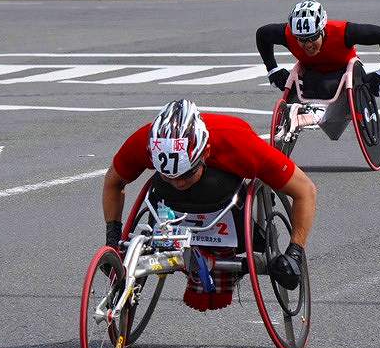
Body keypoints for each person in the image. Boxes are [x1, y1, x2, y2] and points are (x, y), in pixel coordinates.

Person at [103, 100, 317, 310]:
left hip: (226, 199)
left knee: (209, 184)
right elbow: (113, 181)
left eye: (186, 175)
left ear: (205, 153)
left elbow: (305, 191)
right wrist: (113, 240)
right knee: (165, 189)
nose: (178, 183)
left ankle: (227, 246)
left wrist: (295, 252)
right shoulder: (145, 141)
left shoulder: (239, 142)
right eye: (169, 177)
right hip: (169, 207)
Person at [256, 0, 380, 126]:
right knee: (308, 84)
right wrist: (273, 70)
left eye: (312, 37)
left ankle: (318, 111)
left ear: (322, 29)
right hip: (312, 74)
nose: (308, 45)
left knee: (326, 85)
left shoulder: (343, 31)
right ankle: (309, 114)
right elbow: (261, 34)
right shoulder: (288, 34)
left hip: (344, 74)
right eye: (302, 39)